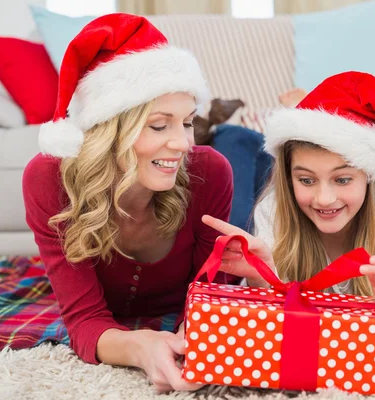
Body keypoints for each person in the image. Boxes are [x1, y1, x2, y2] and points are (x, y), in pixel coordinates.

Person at [22, 13, 267, 393]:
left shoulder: (208, 170)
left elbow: (209, 301)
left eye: (187, 122)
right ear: (109, 130)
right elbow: (84, 320)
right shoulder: (48, 180)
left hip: (210, 179)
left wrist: (194, 339)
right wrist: (141, 348)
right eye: (158, 125)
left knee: (239, 159)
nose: (184, 142)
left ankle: (237, 135)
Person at [204, 71, 375, 348]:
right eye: (306, 180)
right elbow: (266, 328)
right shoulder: (274, 208)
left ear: (369, 176)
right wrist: (260, 278)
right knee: (232, 139)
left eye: (342, 179)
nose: (324, 198)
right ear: (290, 176)